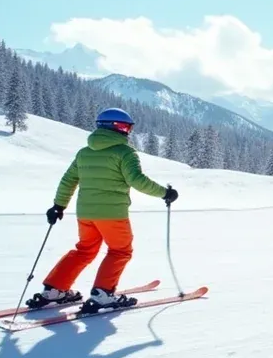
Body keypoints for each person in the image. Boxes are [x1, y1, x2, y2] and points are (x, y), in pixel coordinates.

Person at [34, 108, 177, 313]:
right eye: (126, 127)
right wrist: (165, 193)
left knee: (84, 250)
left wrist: (58, 205)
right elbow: (137, 180)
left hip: (85, 214)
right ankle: (103, 294)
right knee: (120, 251)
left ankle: (54, 290)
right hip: (112, 214)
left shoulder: (84, 153)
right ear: (116, 127)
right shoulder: (125, 153)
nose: (128, 131)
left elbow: (69, 180)